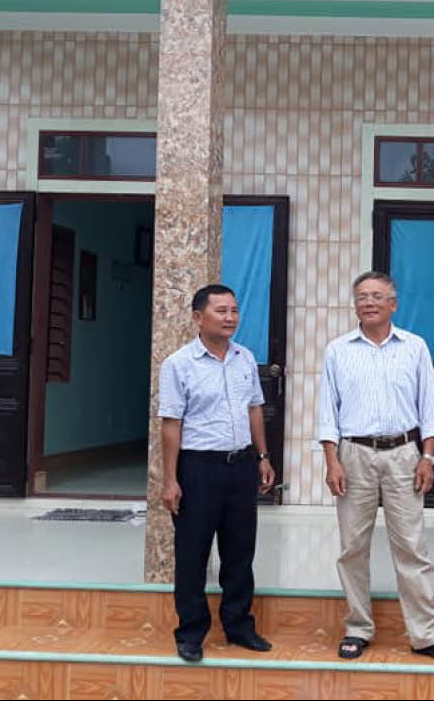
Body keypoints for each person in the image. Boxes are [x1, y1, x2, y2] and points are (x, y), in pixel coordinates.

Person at [317, 270, 434, 663]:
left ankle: (426, 634)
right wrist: (332, 460)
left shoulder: (414, 347)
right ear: (355, 305)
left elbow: (429, 408)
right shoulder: (338, 350)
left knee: (411, 547)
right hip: (353, 454)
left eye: (377, 296)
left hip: (403, 454)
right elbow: (327, 411)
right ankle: (357, 628)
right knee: (352, 547)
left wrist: (427, 456)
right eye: (362, 296)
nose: (369, 303)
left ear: (393, 304)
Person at [158, 283, 277, 664]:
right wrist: (170, 479)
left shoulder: (245, 358)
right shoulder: (178, 364)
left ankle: (239, 626)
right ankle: (191, 632)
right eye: (221, 311)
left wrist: (262, 456)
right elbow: (171, 423)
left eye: (234, 311)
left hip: (240, 466)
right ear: (198, 317)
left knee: (240, 551)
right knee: (192, 553)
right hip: (198, 468)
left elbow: (254, 408)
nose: (230, 318)